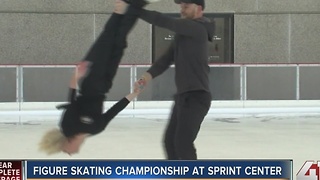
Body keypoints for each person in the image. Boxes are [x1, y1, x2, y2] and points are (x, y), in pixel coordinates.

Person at [38, 0, 150, 155]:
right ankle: (137, 5)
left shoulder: (68, 127)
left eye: (66, 152)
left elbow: (72, 100)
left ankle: (119, 10)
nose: (72, 154)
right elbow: (114, 110)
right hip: (104, 85)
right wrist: (134, 94)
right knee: (119, 43)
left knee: (106, 41)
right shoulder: (96, 129)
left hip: (89, 80)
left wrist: (76, 75)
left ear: (66, 144)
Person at [131, 0, 215, 159]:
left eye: (186, 6)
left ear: (198, 9)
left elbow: (165, 21)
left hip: (197, 97)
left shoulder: (198, 29)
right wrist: (146, 77)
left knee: (183, 143)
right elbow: (165, 60)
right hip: (184, 97)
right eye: (181, 6)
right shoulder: (183, 35)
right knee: (170, 142)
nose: (182, 10)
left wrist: (135, 10)